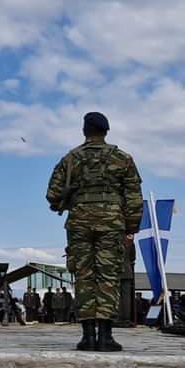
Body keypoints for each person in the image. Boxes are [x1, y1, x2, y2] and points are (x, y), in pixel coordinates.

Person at [46, 111, 142, 352]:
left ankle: (87, 336)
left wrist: (68, 201)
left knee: (84, 275)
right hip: (111, 223)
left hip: (79, 222)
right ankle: (106, 336)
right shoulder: (122, 158)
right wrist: (131, 227)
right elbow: (133, 196)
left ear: (84, 131)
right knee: (108, 276)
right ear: (106, 131)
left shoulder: (71, 159)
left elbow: (53, 195)